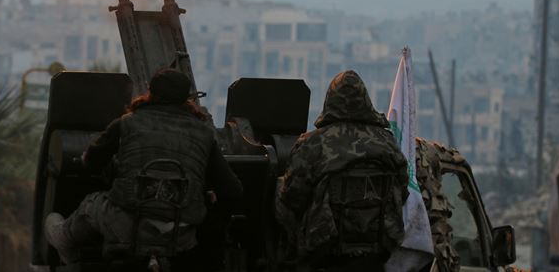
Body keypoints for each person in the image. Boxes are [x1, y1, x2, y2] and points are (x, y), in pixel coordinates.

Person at [44, 68, 243, 264]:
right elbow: (232, 190)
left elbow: (92, 162)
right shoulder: (205, 134)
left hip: (125, 226)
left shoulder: (127, 122)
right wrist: (211, 223)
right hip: (181, 234)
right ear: (187, 98)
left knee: (91, 204)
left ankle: (65, 241)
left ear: (150, 91)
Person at [276, 70, 408, 271]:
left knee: (279, 188)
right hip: (377, 252)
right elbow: (403, 191)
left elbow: (293, 196)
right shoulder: (387, 143)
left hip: (324, 250)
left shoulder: (314, 143)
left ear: (330, 102)